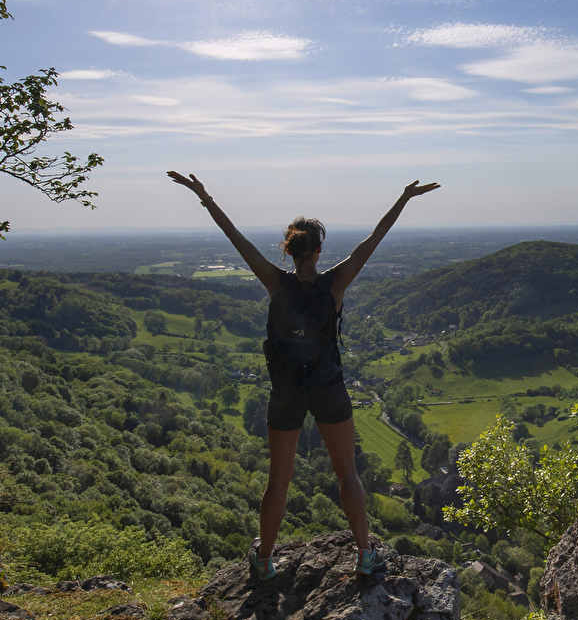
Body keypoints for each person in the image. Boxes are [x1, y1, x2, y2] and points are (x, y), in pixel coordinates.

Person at [167, 171, 440, 580]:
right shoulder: (334, 284)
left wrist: (204, 197)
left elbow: (235, 238)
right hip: (328, 386)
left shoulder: (275, 282)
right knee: (347, 472)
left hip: (286, 391)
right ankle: (365, 555)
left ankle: (264, 561)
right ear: (319, 250)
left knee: (279, 478)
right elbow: (371, 242)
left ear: (289, 251)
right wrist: (403, 199)